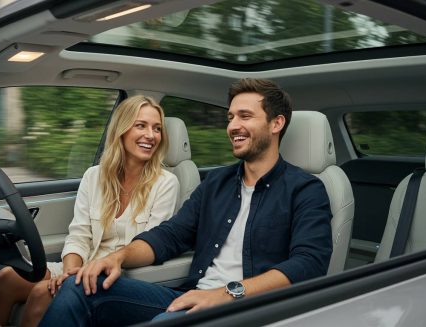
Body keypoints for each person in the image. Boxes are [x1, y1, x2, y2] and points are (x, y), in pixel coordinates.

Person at [38, 78, 333, 326]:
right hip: (193, 295)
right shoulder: (217, 183)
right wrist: (118, 257)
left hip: (250, 307)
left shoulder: (306, 190)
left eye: (245, 116)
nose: (233, 126)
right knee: (78, 287)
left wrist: (227, 294)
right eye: (230, 117)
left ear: (276, 123)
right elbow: (170, 235)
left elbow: (309, 264)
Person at [0, 95, 179, 327]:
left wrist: (76, 278)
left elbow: (149, 245)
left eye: (157, 129)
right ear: (121, 130)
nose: (151, 135)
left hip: (115, 276)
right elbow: (79, 235)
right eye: (141, 125)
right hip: (80, 267)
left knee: (41, 294)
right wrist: (71, 272)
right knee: (7, 278)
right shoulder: (93, 176)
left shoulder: (166, 183)